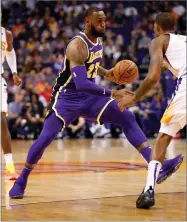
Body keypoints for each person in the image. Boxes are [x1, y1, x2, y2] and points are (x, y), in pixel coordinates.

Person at [9, 8, 183, 199]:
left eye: (104, 21)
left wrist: (106, 72)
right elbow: (82, 83)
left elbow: (90, 65)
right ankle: (22, 180)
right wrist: (113, 92)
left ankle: (158, 165)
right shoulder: (76, 45)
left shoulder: (97, 42)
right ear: (87, 21)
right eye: (99, 21)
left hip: (90, 98)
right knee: (45, 138)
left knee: (126, 116)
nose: (103, 24)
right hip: (67, 98)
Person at [118, 12, 186, 208]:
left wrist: (135, 97)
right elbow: (176, 63)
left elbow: (153, 78)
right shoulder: (182, 40)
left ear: (156, 27)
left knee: (163, 138)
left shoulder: (157, 41)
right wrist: (168, 66)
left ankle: (149, 191)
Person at [1, 21, 22, 180]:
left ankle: (9, 167)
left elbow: (10, 52)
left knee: (2, 121)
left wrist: (14, 72)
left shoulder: (6, 34)